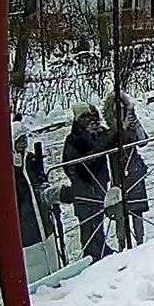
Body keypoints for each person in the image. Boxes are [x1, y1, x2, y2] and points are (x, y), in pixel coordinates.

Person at [61, 103, 115, 262]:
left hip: (98, 184)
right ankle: (92, 255)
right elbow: (77, 164)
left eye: (90, 117)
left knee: (98, 219)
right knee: (87, 222)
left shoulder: (97, 134)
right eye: (84, 117)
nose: (88, 120)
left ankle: (101, 247)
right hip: (84, 187)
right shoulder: (74, 140)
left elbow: (110, 139)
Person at [7, 124, 60, 281]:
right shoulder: (9, 169)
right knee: (34, 266)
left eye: (24, 139)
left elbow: (39, 182)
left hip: (43, 220)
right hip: (26, 226)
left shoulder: (30, 160)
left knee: (51, 259)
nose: (23, 144)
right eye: (19, 140)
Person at [102, 91, 150, 245]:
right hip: (119, 174)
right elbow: (109, 144)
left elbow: (143, 141)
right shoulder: (108, 131)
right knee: (120, 213)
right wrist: (121, 128)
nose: (121, 113)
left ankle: (140, 241)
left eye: (123, 109)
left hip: (134, 172)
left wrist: (135, 123)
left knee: (137, 211)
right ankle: (122, 244)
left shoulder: (130, 124)